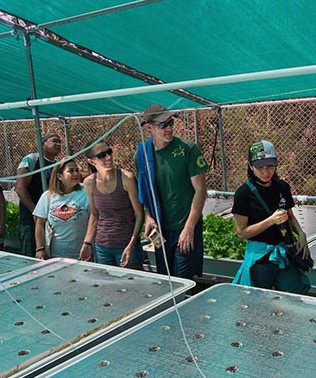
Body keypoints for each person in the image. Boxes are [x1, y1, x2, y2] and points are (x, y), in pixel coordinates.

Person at [135, 104, 208, 279]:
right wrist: (149, 217)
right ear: (149, 127)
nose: (169, 129)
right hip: (161, 230)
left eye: (170, 123)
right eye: (163, 125)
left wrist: (189, 228)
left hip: (185, 226)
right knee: (165, 279)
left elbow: (200, 190)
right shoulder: (142, 154)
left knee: (183, 281)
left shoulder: (187, 149)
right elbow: (146, 191)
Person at [231, 140, 311, 294]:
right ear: (251, 166)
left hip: (283, 252)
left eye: (270, 166)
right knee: (261, 300)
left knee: (292, 294)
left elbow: (289, 215)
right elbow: (241, 233)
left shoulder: (282, 187)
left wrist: (301, 233)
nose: (266, 172)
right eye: (260, 167)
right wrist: (270, 221)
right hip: (260, 258)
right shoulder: (244, 194)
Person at [82, 140, 144, 269]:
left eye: (109, 152)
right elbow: (94, 214)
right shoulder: (89, 183)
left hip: (127, 244)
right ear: (91, 161)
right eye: (102, 155)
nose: (108, 157)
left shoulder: (127, 178)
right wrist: (87, 243)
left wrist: (131, 245)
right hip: (102, 247)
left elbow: (139, 214)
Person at [33, 158, 89, 260]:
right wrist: (40, 249)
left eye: (77, 170)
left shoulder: (86, 193)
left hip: (82, 255)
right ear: (59, 176)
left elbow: (94, 218)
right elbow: (39, 223)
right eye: (71, 171)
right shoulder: (48, 196)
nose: (76, 173)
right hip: (56, 256)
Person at [15, 133, 61, 256]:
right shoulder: (32, 160)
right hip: (30, 221)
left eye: (60, 142)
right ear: (42, 143)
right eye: (54, 141)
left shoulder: (57, 165)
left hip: (50, 221)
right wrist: (35, 212)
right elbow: (20, 188)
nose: (58, 144)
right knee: (32, 257)